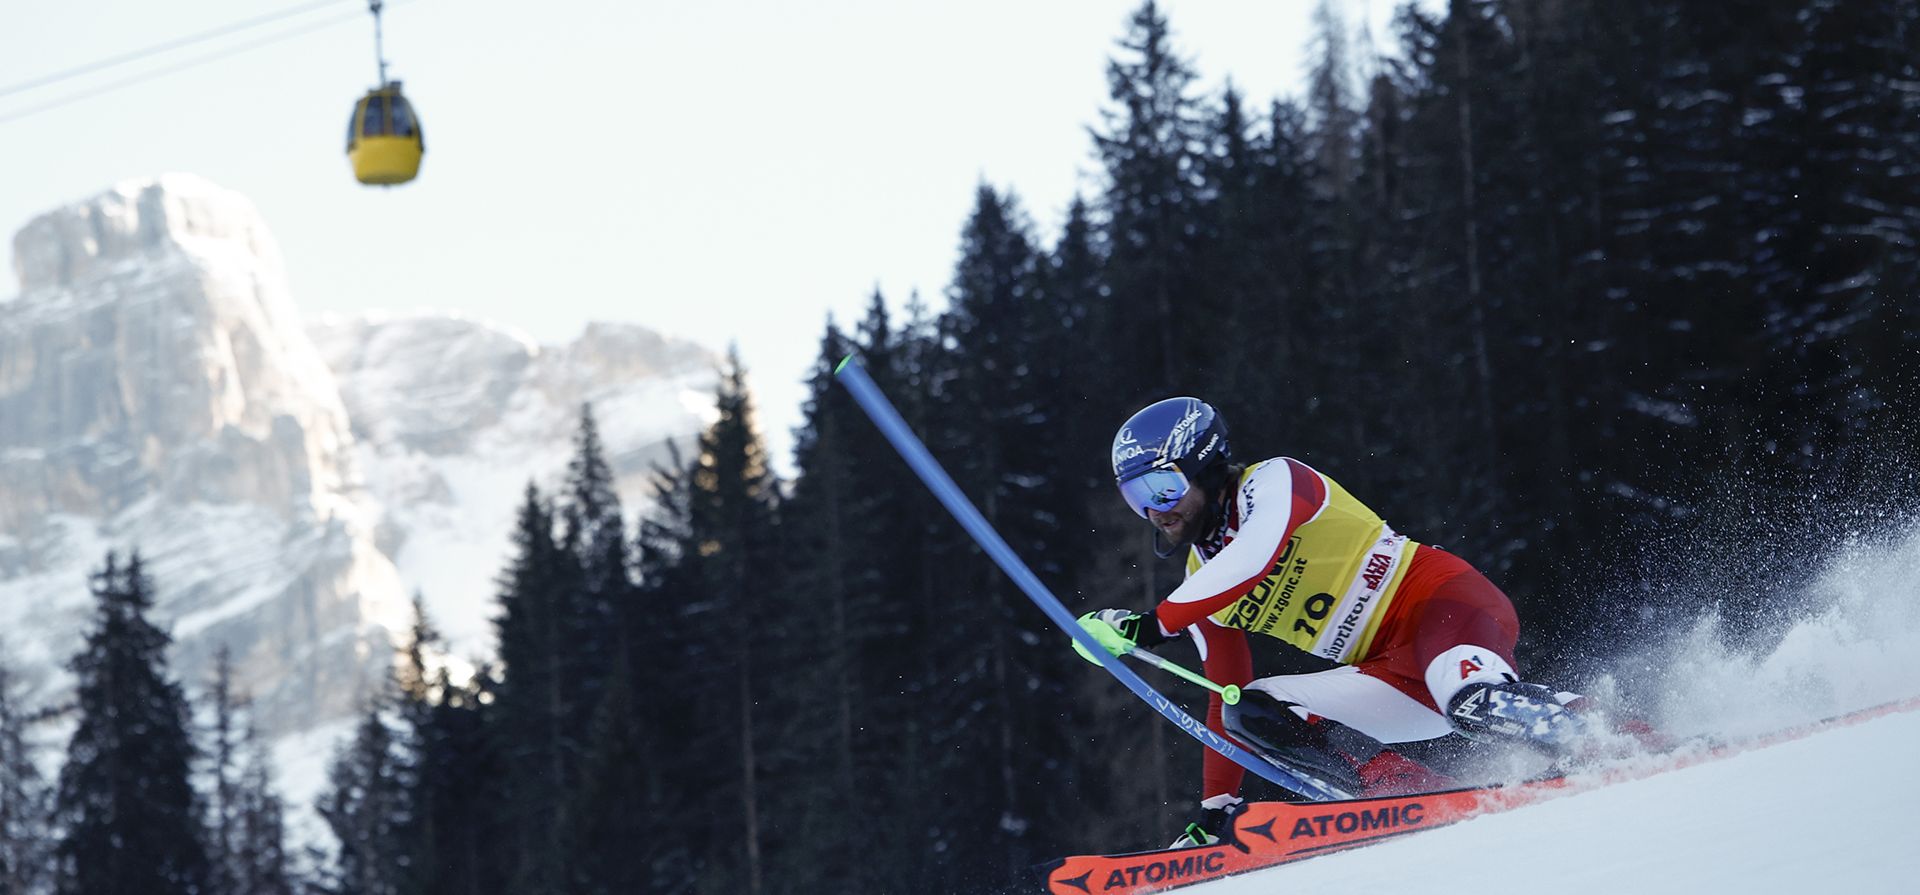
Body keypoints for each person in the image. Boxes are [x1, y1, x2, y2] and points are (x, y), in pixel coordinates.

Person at [1077, 396, 1598, 849]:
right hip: (1389, 675)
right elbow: (1225, 692)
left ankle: (1605, 736)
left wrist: (1149, 626)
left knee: (1469, 698)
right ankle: (1399, 796)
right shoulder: (1200, 580)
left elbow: (1253, 558)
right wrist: (1218, 806)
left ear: (1206, 467)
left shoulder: (1275, 481)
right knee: (1252, 707)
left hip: (1440, 604)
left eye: (1163, 488)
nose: (1155, 511)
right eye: (1137, 498)